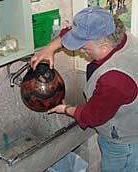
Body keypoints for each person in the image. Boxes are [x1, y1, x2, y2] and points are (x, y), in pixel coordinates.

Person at [31, 6, 138, 172]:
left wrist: (65, 109)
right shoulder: (117, 35)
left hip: (125, 143)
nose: (80, 51)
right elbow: (75, 32)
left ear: (104, 47)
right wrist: (49, 48)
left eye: (84, 48)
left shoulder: (115, 79)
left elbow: (93, 116)